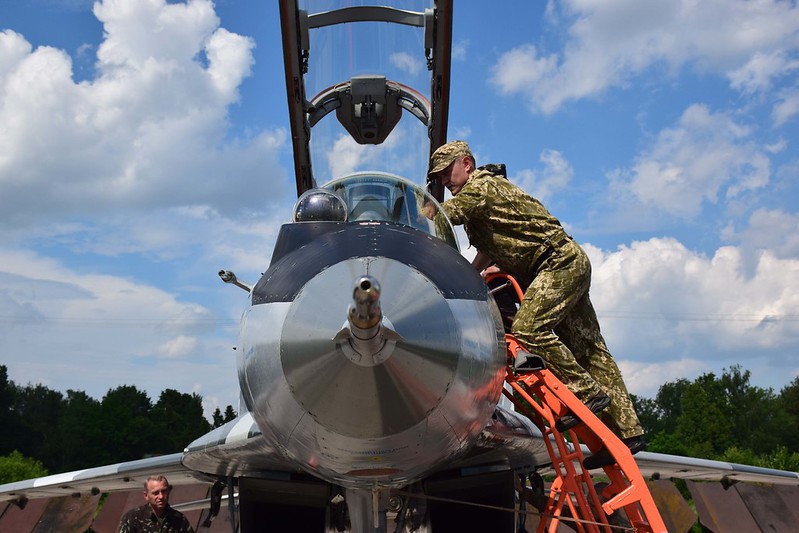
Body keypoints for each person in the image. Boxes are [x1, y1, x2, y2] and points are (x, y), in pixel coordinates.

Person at [426, 140, 645, 468]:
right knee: (589, 349)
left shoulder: (482, 187)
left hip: (556, 263)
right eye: (439, 178)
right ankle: (626, 434)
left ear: (467, 164)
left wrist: (414, 210)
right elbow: (489, 250)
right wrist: (469, 275)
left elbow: (442, 216)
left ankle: (585, 391)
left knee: (528, 328)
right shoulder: (478, 206)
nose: (445, 182)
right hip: (562, 263)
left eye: (447, 173)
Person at [118, 475, 194, 533]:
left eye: (164, 491)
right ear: (146, 495)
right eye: (156, 493)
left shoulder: (179, 519)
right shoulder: (133, 518)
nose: (161, 496)